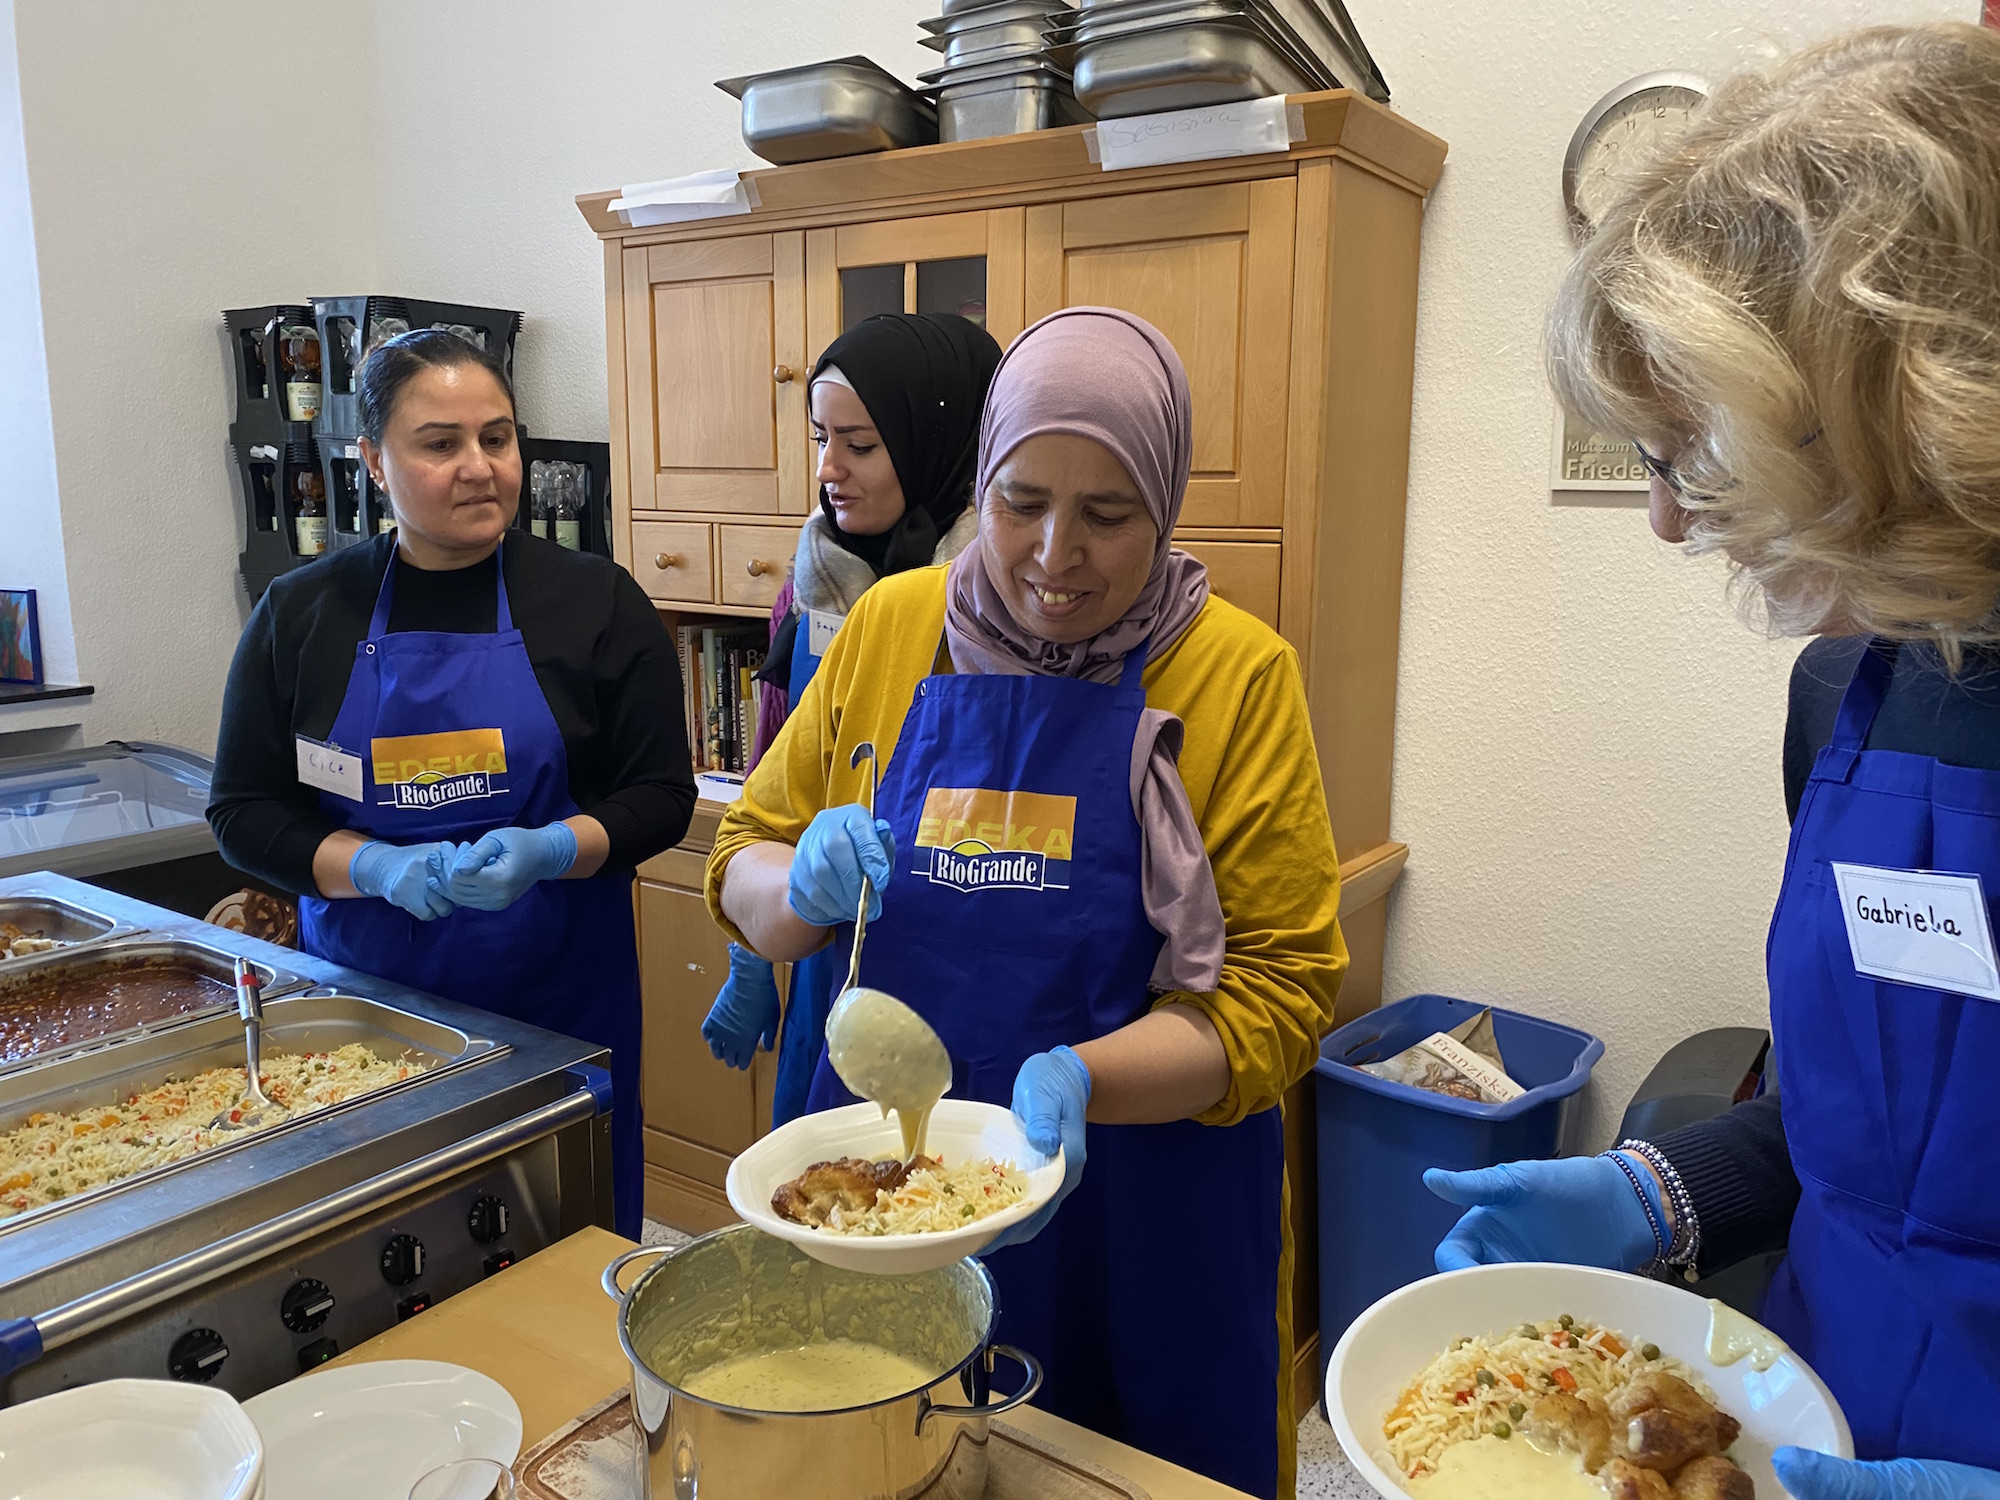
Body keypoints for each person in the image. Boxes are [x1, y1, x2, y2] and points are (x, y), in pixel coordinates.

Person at [1425, 25, 2000, 1500]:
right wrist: (1664, 1189)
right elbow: (1875, 1137)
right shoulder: (1851, 700)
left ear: (1907, 399)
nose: (1673, 523)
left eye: (1695, 448)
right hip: (1812, 1416)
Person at [705, 307, 1348, 1500]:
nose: (1055, 555)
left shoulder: (1236, 675)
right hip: (881, 1190)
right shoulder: (897, 627)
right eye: (1019, 502)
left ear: (1165, 503)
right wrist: (789, 890)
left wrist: (1085, 1082)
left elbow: (1278, 996)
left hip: (1144, 1205)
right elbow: (746, 852)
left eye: (1108, 515)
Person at [208, 329, 695, 1237]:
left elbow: (661, 795)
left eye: (498, 438)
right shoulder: (304, 613)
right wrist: (377, 868)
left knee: (563, 1248)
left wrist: (554, 848)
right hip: (365, 1022)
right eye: (440, 444)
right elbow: (242, 812)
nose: (480, 468)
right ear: (373, 462)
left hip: (558, 1006)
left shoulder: (596, 602)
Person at [699, 312, 1000, 1127]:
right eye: (819, 439)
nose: (829, 469)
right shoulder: (807, 587)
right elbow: (772, 771)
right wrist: (752, 946)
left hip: (956, 954)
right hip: (828, 949)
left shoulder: (999, 604)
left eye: (860, 444)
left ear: (943, 442)